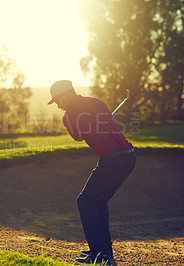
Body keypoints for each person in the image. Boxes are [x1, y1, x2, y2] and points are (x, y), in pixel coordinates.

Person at [47, 80, 136, 265]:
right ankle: (104, 251)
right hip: (127, 157)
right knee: (98, 202)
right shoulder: (97, 102)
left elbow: (78, 137)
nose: (57, 105)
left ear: (65, 95)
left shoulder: (68, 117)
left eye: (57, 101)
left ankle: (101, 253)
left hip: (113, 160)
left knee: (85, 202)